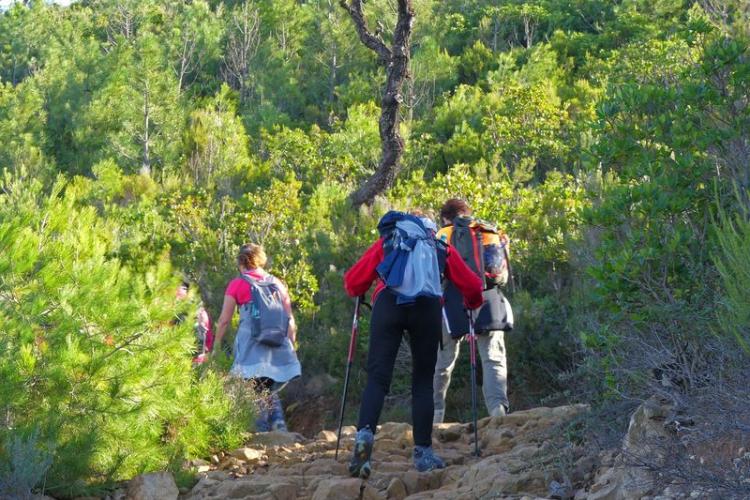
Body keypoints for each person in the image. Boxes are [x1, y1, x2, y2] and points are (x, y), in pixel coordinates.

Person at [343, 210, 484, 478]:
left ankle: (364, 439)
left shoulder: (389, 240)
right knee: (422, 382)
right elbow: (473, 287)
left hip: (388, 305)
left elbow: (352, 282)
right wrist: (472, 304)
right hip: (427, 308)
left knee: (377, 379)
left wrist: (359, 291)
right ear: (430, 226)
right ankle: (423, 453)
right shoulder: (439, 246)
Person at [433, 199, 511, 423]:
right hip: (488, 300)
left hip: (452, 303)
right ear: (467, 213)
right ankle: (498, 412)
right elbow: (501, 276)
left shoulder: (443, 234)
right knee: (493, 358)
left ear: (446, 218)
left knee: (443, 362)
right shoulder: (488, 231)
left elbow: (436, 274)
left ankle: (435, 416)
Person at [213, 243, 301, 432]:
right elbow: (289, 318)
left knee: (252, 387)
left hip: (251, 344)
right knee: (267, 384)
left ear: (240, 262)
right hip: (277, 342)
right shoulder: (276, 283)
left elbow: (224, 320)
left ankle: (260, 430)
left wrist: (217, 345)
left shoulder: (238, 284)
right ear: (261, 259)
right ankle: (278, 425)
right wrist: (290, 345)